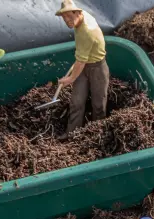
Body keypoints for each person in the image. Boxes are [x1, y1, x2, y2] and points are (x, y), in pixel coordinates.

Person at [55, 0, 110, 138]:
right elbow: (81, 60)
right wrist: (80, 61)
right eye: (64, 17)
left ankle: (97, 134)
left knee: (98, 103)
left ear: (77, 12)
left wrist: (70, 78)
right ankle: (72, 133)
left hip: (97, 67)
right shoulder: (80, 18)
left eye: (69, 16)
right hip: (84, 64)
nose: (67, 20)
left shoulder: (87, 30)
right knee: (77, 101)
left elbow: (80, 61)